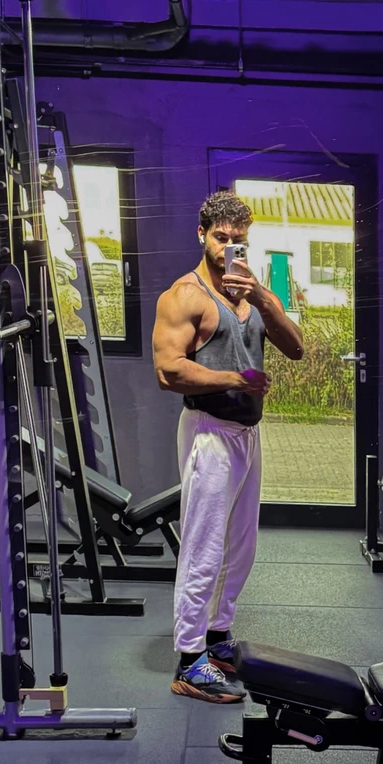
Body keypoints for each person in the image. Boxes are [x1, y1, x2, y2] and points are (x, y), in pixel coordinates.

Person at [152, 191, 304, 704]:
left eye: (238, 239)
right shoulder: (184, 296)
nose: (229, 247)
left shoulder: (252, 294)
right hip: (209, 431)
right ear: (202, 234)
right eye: (220, 237)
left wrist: (262, 297)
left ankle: (217, 636)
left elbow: (295, 347)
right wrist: (235, 378)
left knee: (240, 547)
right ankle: (189, 659)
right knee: (202, 548)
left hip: (247, 434)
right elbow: (168, 371)